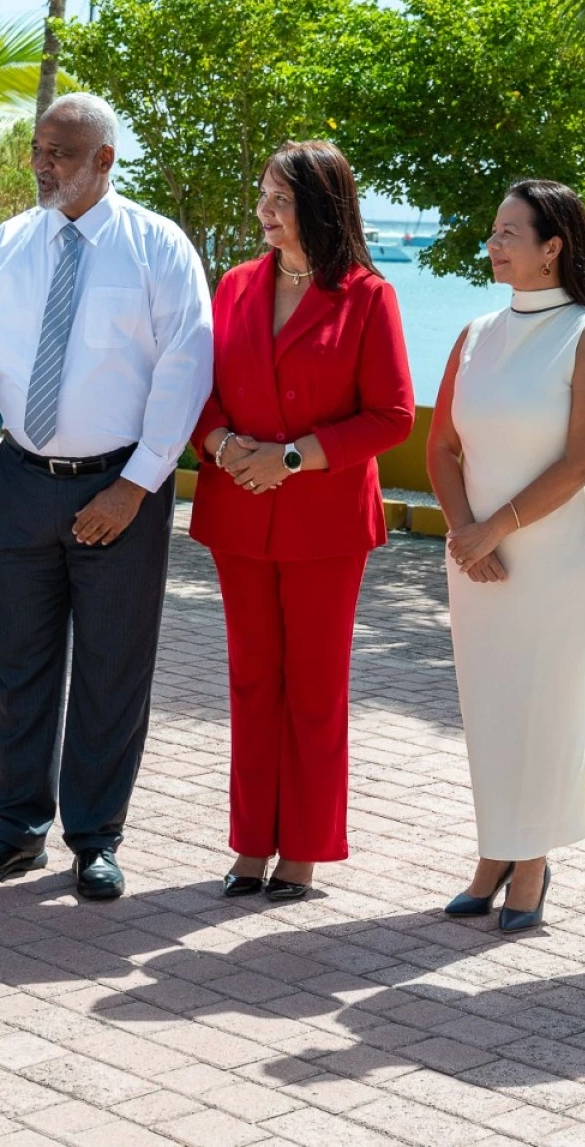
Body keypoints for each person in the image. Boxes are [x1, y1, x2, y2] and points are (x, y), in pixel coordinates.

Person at [0, 93, 212, 901]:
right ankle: (13, 830)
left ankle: (96, 837)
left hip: (119, 487)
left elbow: (186, 369)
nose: (42, 164)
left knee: (112, 670)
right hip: (24, 480)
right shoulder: (7, 245)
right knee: (20, 665)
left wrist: (136, 487)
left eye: (60, 153)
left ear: (105, 159)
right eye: (38, 149)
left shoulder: (158, 247)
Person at [191, 141, 414, 903]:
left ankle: (304, 851)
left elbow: (392, 414)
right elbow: (198, 390)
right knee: (252, 681)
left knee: (314, 688)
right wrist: (225, 448)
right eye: (263, 195)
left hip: (325, 523)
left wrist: (290, 458)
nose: (265, 211)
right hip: (238, 511)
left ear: (321, 206)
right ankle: (252, 842)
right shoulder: (234, 285)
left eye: (280, 200)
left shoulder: (368, 296)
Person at [427, 180, 585, 933]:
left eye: (510, 233)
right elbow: (441, 447)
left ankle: (532, 860)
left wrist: (493, 529)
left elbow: (583, 462)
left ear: (553, 248)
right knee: (490, 703)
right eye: (493, 231)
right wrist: (465, 532)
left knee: (545, 702)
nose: (494, 244)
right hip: (475, 553)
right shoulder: (475, 333)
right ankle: (495, 850)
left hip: (555, 554)